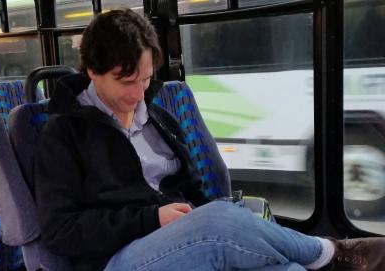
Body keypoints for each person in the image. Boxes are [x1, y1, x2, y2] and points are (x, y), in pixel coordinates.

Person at [34, 8, 385, 271]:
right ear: (92, 71)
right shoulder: (64, 133)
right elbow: (60, 230)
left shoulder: (158, 117)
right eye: (126, 82)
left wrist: (202, 218)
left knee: (285, 268)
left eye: (145, 79)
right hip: (116, 257)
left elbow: (190, 188)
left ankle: (320, 256)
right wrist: (152, 219)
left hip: (182, 238)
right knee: (218, 220)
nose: (138, 93)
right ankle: (332, 253)